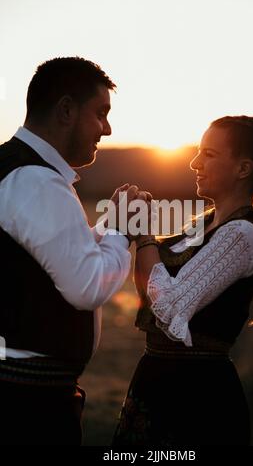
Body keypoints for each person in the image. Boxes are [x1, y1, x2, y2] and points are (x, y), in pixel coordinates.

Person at [0, 56, 150, 445]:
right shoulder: (34, 181)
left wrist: (109, 225)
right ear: (66, 109)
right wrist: (120, 228)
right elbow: (85, 285)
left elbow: (54, 256)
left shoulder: (16, 170)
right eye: (100, 114)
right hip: (25, 404)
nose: (107, 128)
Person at [112, 115, 253, 446]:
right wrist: (130, 222)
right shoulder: (199, 226)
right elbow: (150, 290)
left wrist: (145, 234)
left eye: (209, 154)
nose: (194, 163)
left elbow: (170, 304)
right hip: (156, 379)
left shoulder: (240, 234)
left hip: (196, 392)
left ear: (243, 169)